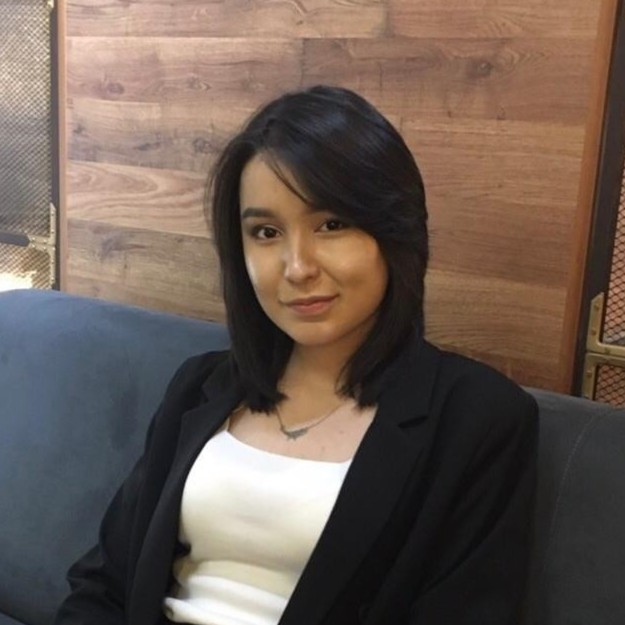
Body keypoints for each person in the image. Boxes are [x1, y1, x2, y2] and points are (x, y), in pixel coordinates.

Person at [54, 85, 538, 625]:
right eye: (266, 232)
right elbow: (104, 583)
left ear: (394, 233)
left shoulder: (477, 418)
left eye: (331, 225)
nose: (298, 267)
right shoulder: (201, 386)